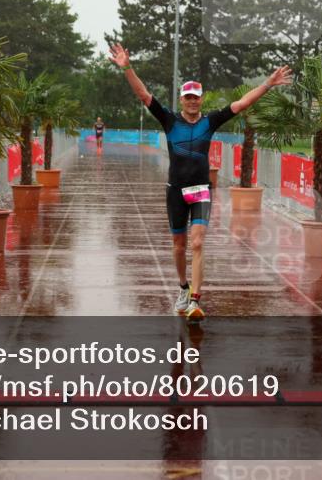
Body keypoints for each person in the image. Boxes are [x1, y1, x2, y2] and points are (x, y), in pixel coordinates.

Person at [108, 43, 291, 320]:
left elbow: (242, 104)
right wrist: (128, 68)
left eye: (196, 97)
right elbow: (143, 95)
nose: (193, 101)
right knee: (179, 245)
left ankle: (195, 299)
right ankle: (182, 288)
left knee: (197, 243)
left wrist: (268, 83)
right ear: (182, 100)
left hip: (201, 191)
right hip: (176, 192)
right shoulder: (169, 120)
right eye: (188, 97)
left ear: (201, 99)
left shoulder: (211, 121)